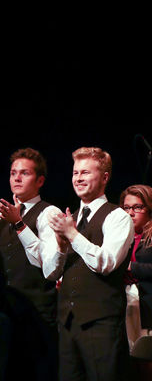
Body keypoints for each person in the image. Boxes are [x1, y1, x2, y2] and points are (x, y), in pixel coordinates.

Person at [0, 147, 62, 381]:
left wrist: (19, 223)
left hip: (36, 313)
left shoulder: (49, 213)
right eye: (13, 173)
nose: (17, 178)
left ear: (40, 180)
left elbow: (48, 263)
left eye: (24, 173)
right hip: (0, 311)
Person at [49, 146, 135, 381]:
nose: (78, 178)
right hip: (68, 323)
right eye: (76, 173)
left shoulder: (118, 216)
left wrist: (73, 236)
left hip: (101, 323)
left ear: (105, 177)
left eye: (85, 172)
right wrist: (61, 245)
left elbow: (106, 263)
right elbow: (51, 273)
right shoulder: (71, 218)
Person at [122, 185, 152, 338]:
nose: (130, 213)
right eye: (126, 208)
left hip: (147, 303)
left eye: (137, 207)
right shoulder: (120, 237)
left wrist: (130, 267)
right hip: (123, 302)